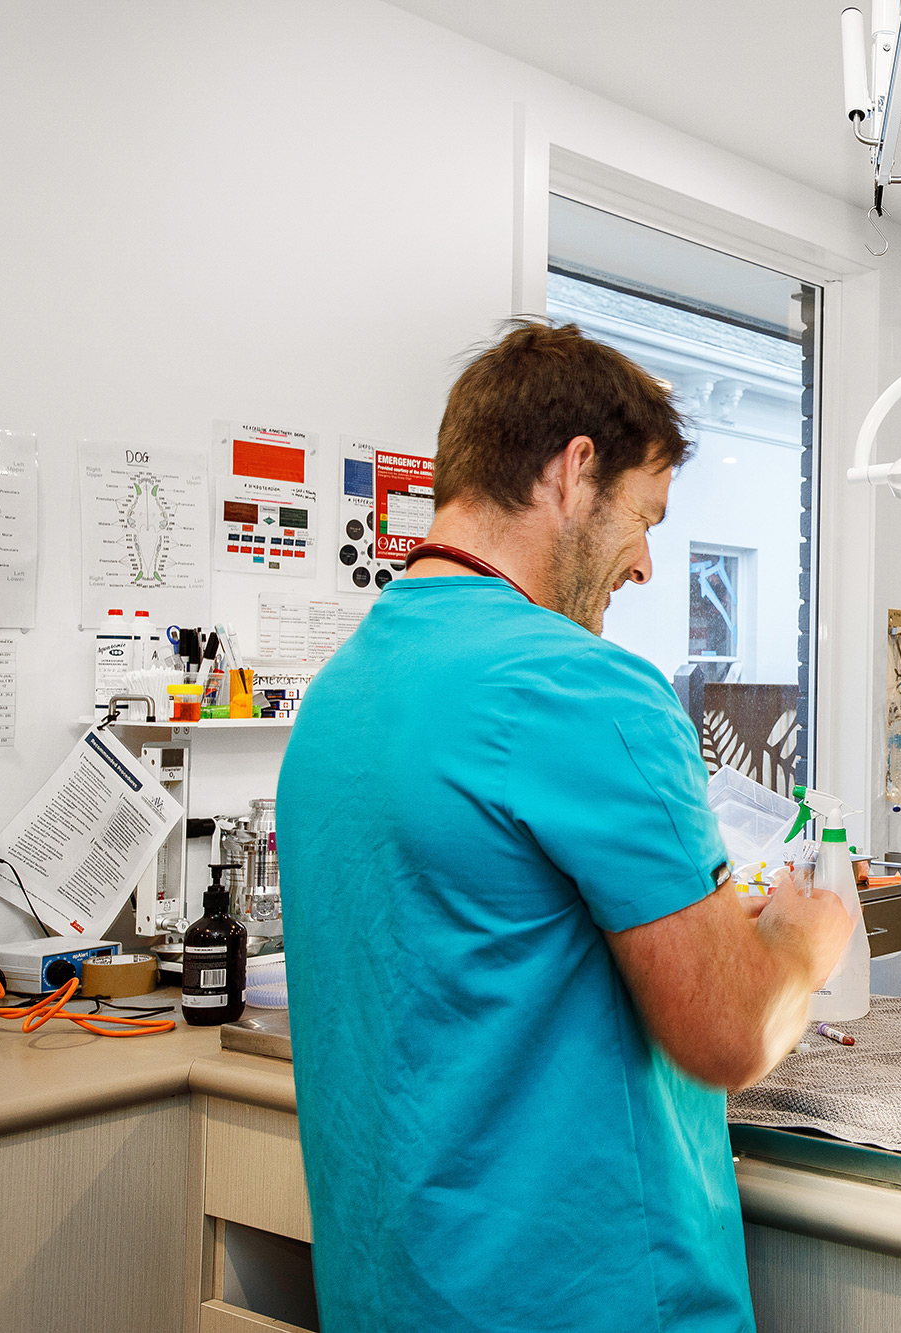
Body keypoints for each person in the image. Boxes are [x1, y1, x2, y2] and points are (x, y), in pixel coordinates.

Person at [277, 321, 851, 1333]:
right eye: (643, 517)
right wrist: (800, 948)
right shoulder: (584, 689)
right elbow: (726, 1034)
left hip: (393, 1293)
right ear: (573, 472)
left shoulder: (340, 694)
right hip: (585, 1297)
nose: (642, 565)